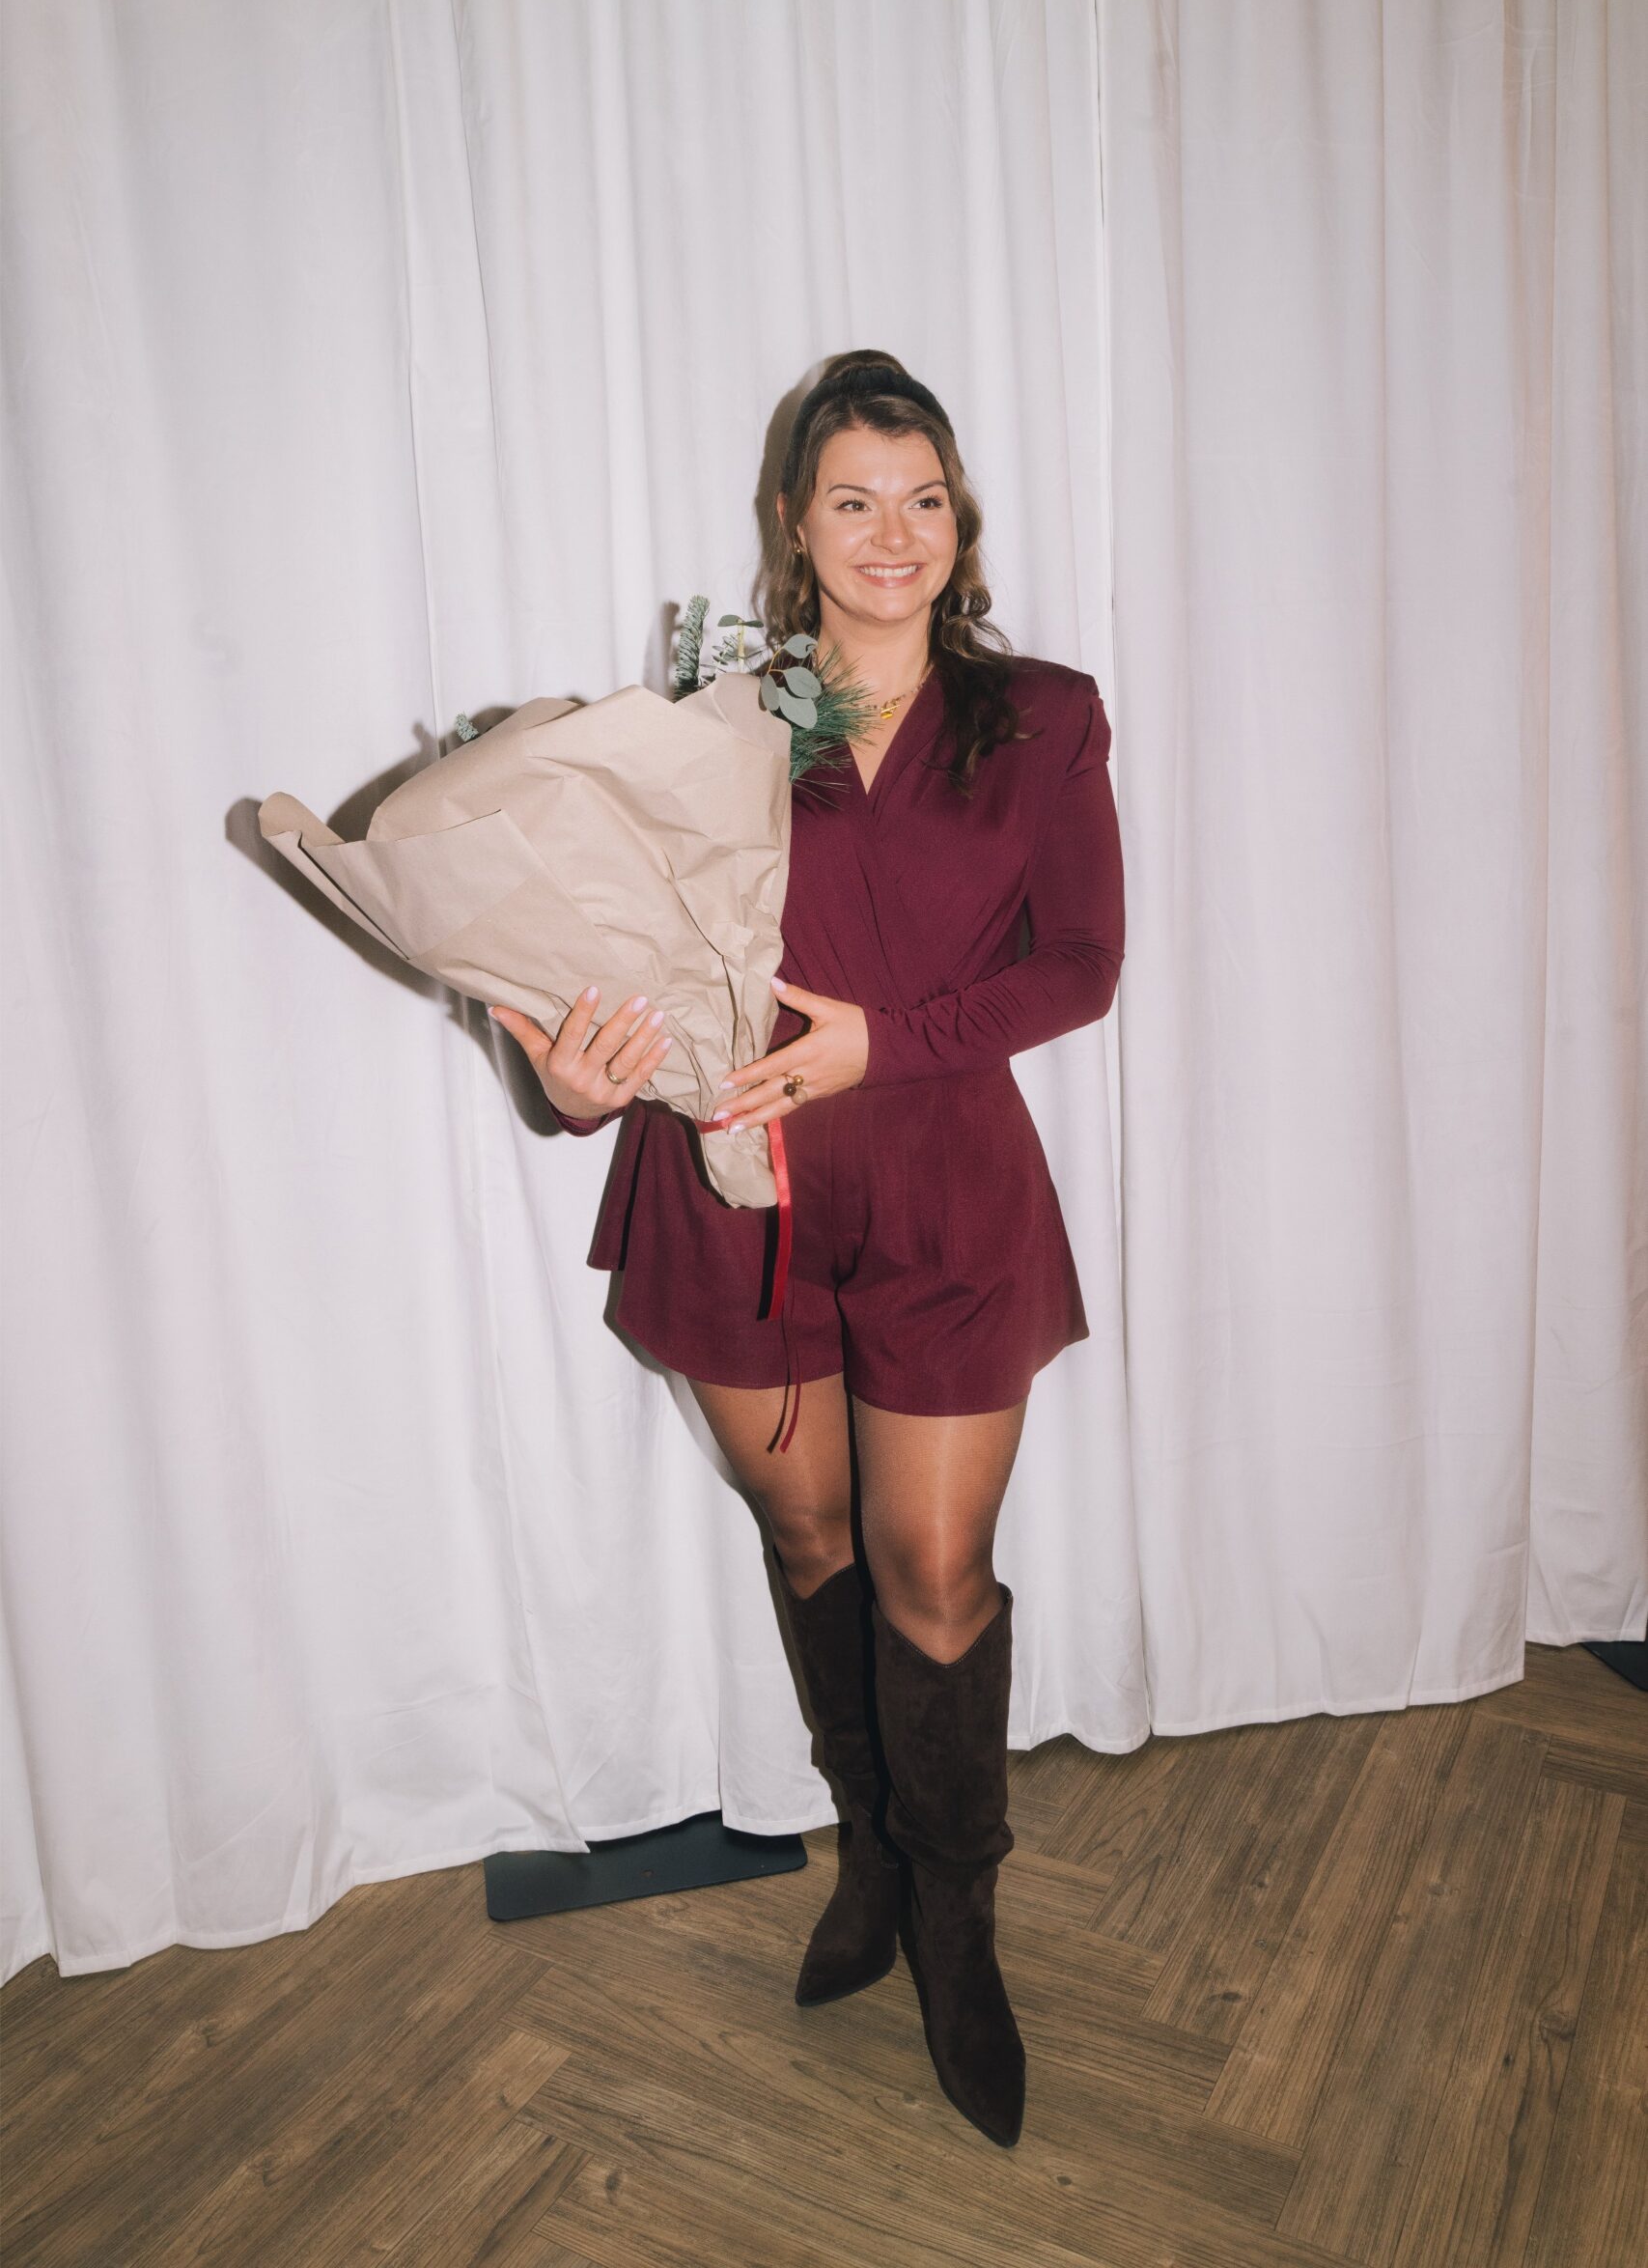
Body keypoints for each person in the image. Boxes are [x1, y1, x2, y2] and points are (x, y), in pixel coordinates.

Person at [489, 351, 1125, 2147]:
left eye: (923, 499)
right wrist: (567, 1080)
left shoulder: (1041, 717)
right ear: (795, 522)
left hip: (944, 1191)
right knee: (813, 1538)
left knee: (936, 1571)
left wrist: (880, 1045)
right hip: (731, 1192)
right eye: (854, 499)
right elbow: (591, 957)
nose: (891, 534)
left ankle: (957, 1927)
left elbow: (1082, 964)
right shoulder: (712, 722)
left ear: (960, 520)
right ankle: (870, 1860)